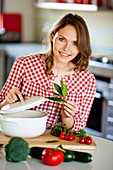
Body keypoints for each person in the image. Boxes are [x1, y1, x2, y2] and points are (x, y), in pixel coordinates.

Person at [0, 13, 96, 131]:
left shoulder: (87, 81)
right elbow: (1, 109)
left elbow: (77, 127)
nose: (66, 49)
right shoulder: (24, 64)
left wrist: (67, 117)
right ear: (52, 36)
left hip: (56, 143)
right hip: (21, 135)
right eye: (62, 39)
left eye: (75, 43)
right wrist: (7, 102)